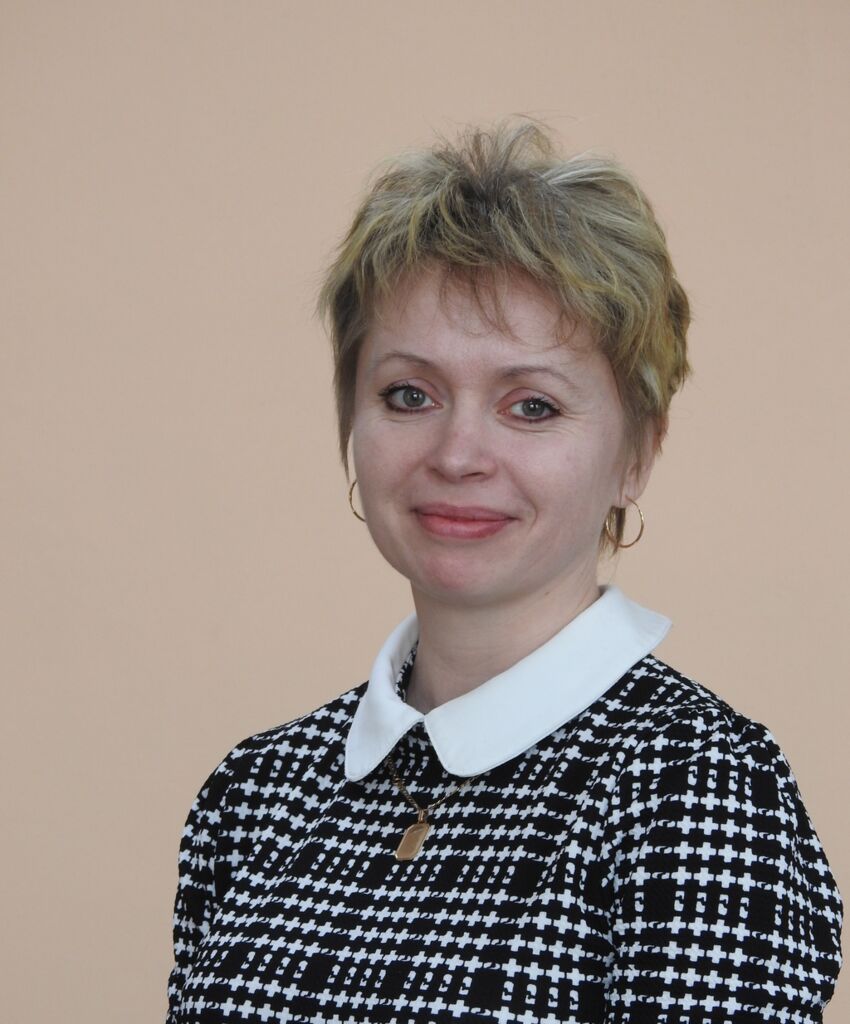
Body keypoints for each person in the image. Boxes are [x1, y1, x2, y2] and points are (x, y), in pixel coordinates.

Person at [165, 121, 843, 1023]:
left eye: (531, 407)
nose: (457, 454)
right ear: (351, 422)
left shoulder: (700, 793)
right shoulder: (257, 793)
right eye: (409, 394)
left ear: (637, 453)